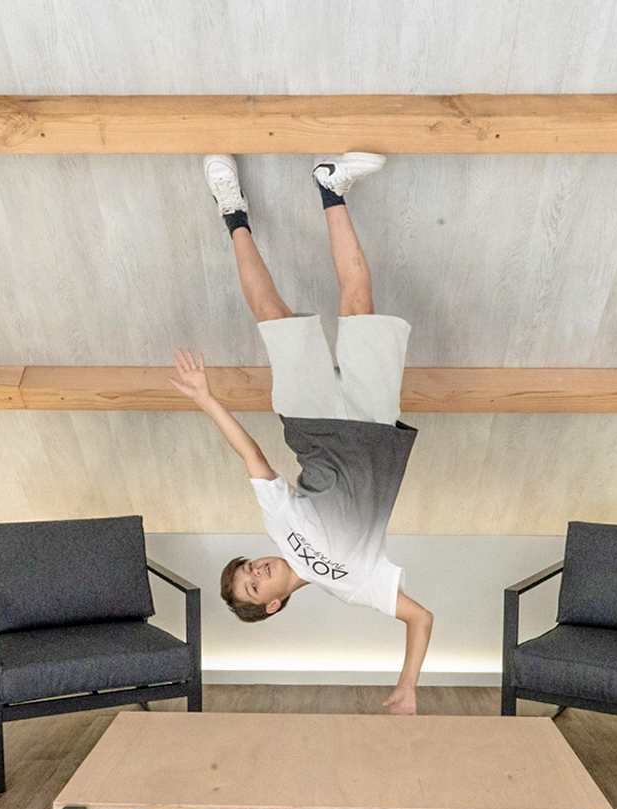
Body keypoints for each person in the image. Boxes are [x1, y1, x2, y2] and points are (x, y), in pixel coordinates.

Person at [169, 152, 432, 716]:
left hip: (310, 425)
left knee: (272, 313)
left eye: (247, 569)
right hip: (372, 424)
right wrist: (408, 685)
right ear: (272, 607)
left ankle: (231, 210)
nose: (256, 573)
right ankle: (330, 185)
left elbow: (251, 454)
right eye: (253, 586)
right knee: (359, 301)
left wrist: (205, 398)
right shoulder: (353, 585)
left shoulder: (280, 528)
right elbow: (421, 618)